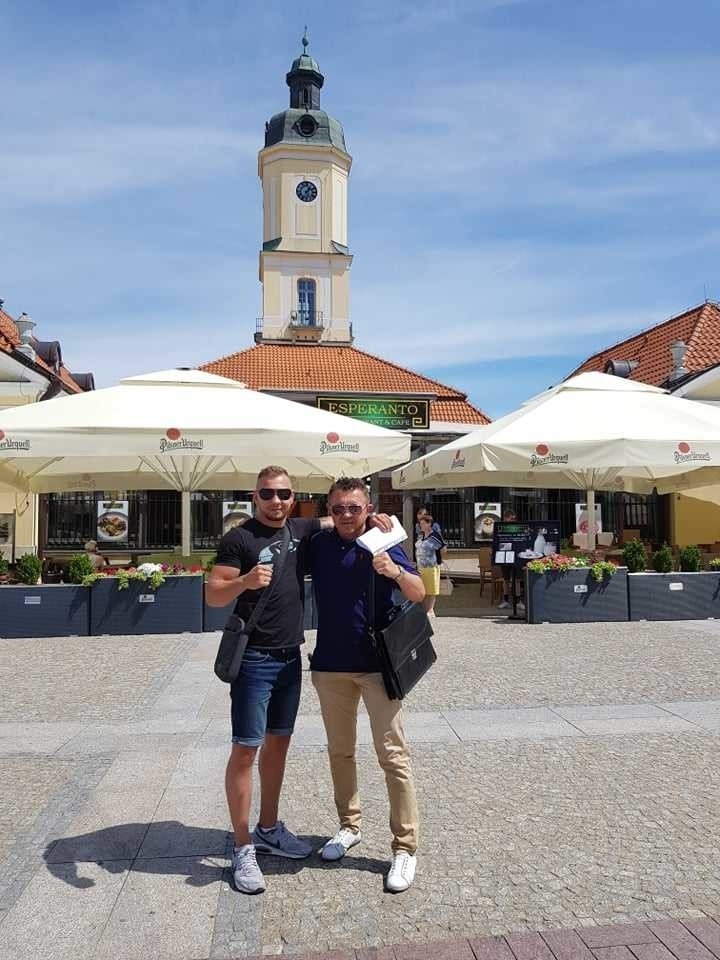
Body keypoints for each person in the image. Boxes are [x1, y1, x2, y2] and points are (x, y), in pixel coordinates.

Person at [206, 465, 391, 895]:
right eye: (268, 494)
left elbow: (341, 517)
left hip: (290, 659)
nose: (276, 502)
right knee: (245, 751)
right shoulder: (239, 538)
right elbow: (213, 592)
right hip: (253, 661)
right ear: (255, 496)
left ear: (293, 498)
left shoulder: (301, 528)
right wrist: (246, 581)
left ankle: (268, 827)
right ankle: (242, 845)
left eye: (284, 494)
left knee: (278, 748)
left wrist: (378, 520)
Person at [308, 477, 425, 893]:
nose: (345, 515)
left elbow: (420, 592)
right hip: (330, 667)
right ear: (329, 508)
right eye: (337, 508)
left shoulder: (384, 540)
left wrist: (393, 570)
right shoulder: (319, 546)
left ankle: (405, 848)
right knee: (340, 752)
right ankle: (349, 825)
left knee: (393, 755)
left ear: (367, 506)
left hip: (378, 666)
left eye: (353, 508)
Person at [415, 514, 443, 617]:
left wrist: (439, 560)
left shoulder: (435, 535)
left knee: (431, 589)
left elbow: (443, 549)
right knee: (423, 589)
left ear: (429, 524)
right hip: (420, 566)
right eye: (420, 523)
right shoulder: (420, 535)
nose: (420, 525)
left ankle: (430, 610)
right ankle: (424, 609)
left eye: (422, 523)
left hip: (431, 566)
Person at [497, 508, 525, 612]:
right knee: (506, 579)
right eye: (510, 519)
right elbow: (497, 541)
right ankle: (505, 601)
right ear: (505, 519)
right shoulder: (500, 528)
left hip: (516, 557)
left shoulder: (517, 528)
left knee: (517, 579)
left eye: (513, 519)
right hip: (505, 556)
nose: (512, 521)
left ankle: (518, 601)